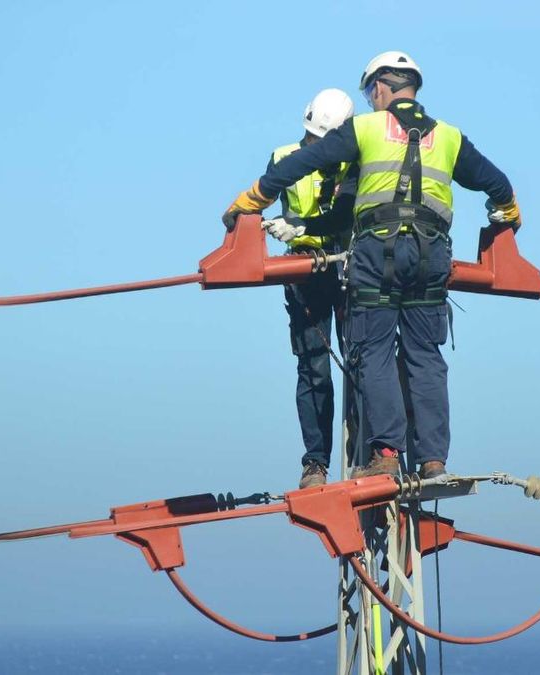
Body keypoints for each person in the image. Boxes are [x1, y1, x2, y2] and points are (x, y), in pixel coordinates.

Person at [223, 51, 521, 480]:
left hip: (379, 253)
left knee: (374, 350)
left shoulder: (365, 128)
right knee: (425, 355)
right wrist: (507, 215)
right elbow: (499, 185)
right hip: (432, 254)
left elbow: (302, 163)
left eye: (370, 92)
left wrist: (251, 200)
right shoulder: (450, 137)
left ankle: (385, 455)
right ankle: (433, 461)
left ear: (380, 87)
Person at [252, 89, 357, 489]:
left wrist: (302, 226)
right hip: (304, 271)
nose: (316, 145)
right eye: (312, 137)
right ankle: (316, 463)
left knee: (363, 364)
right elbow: (257, 203)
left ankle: (370, 452)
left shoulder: (354, 160)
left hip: (348, 266)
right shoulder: (283, 157)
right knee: (313, 367)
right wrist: (256, 225)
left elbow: (346, 215)